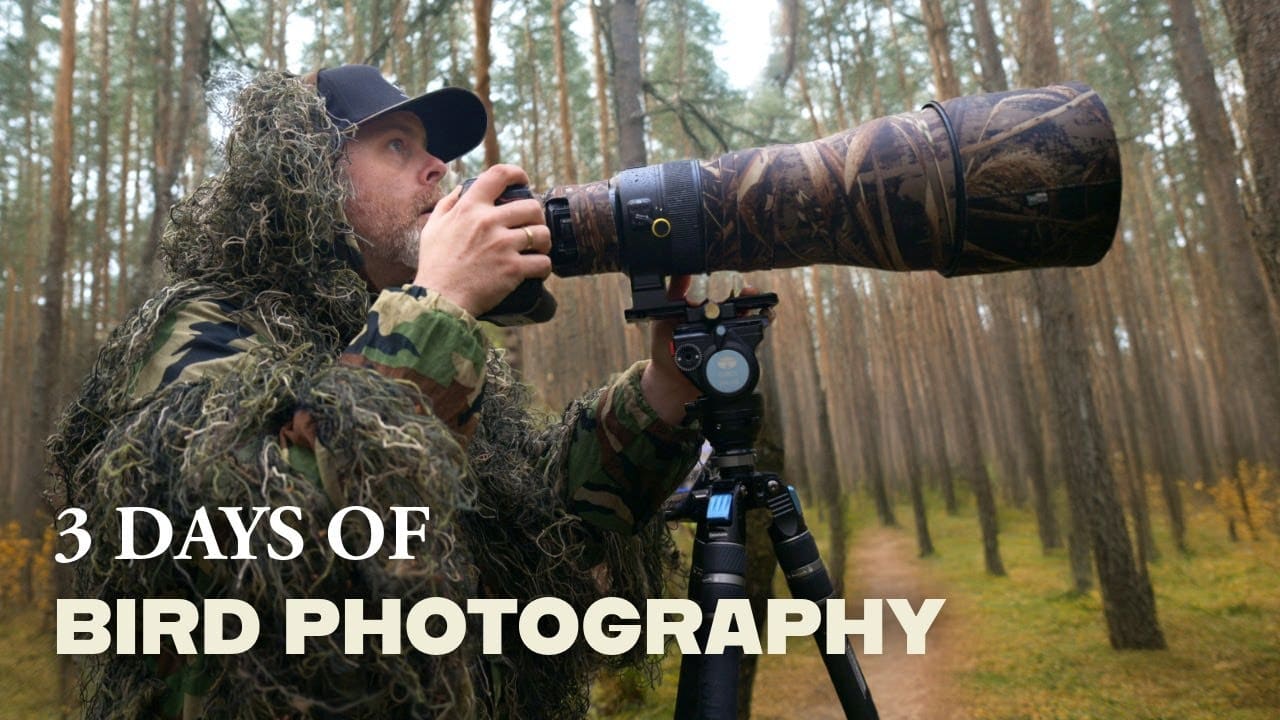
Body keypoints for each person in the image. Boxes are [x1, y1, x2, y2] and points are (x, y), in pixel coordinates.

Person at [50, 65, 702, 719]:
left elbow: (542, 526)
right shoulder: (206, 323)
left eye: (434, 152)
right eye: (398, 144)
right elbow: (250, 541)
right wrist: (439, 307)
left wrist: (663, 392)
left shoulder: (412, 328)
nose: (437, 169)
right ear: (305, 172)